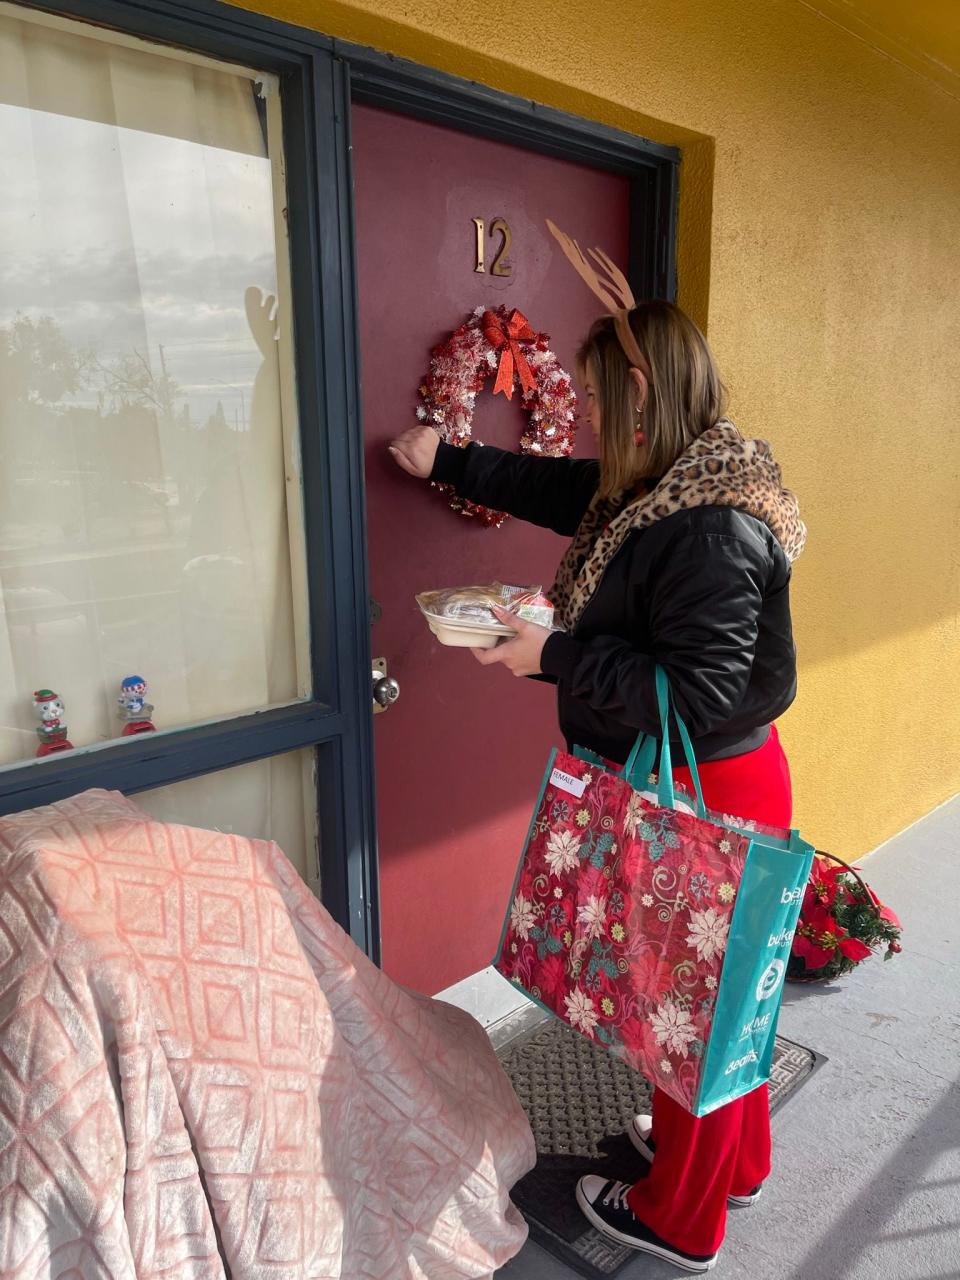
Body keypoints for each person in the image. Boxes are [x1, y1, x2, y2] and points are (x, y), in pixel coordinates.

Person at [389, 298, 805, 1273]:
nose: (581, 420)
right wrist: (447, 458)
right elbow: (561, 487)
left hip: (711, 784)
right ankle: (733, 1160)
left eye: (599, 398)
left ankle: (680, 1217)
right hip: (707, 780)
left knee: (687, 1010)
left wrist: (554, 653)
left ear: (644, 398)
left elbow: (695, 698)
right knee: (722, 995)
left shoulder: (708, 526)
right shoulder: (663, 487)